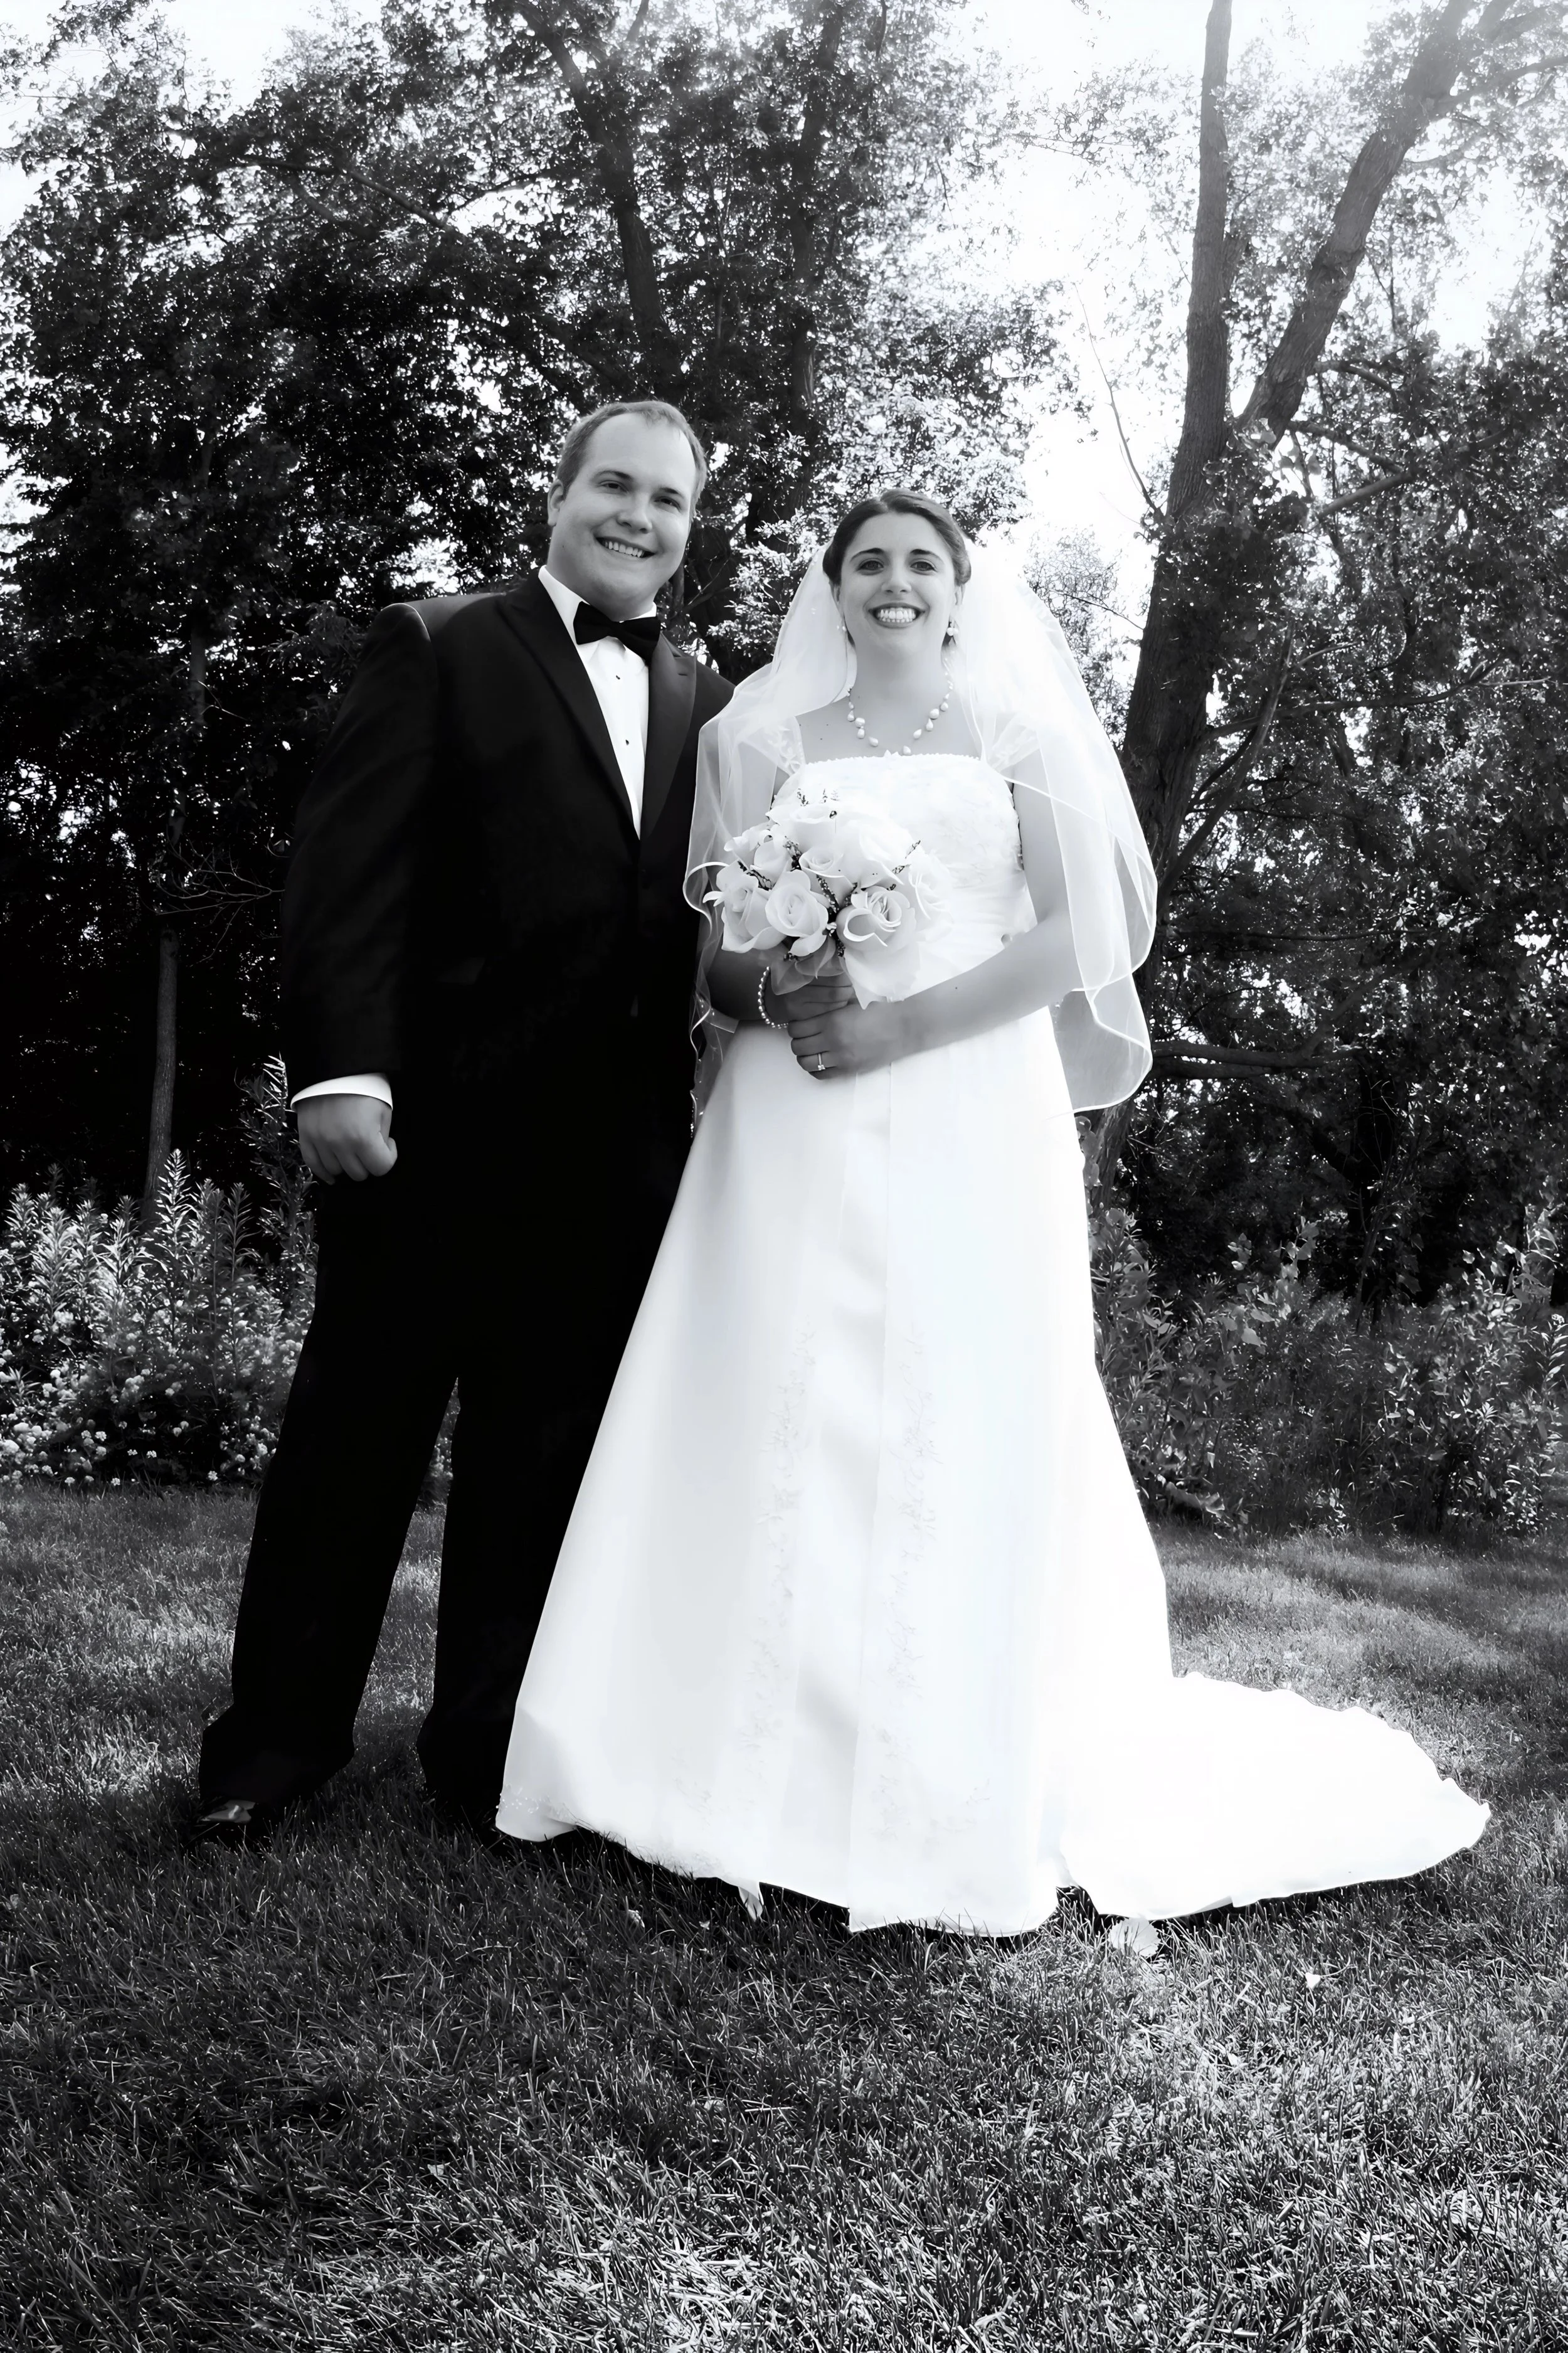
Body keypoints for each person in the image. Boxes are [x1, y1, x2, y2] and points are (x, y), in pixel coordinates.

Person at [494, 489, 1488, 1934]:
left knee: (960, 1397)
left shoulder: (1016, 733)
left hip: (967, 1104)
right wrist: (779, 987)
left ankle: (946, 1764)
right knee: (767, 1386)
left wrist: (900, 1033)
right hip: (788, 1106)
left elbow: (1082, 937)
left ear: (959, 593)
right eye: (867, 563)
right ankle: (711, 1752)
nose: (894, 584)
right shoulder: (747, 742)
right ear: (827, 588)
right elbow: (709, 962)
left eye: (920, 564)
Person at [193, 399, 732, 1843]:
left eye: (666, 502)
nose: (636, 516)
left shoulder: (710, 700)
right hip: (429, 1130)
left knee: (539, 1470)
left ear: (690, 532)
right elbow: (348, 868)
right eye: (612, 486)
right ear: (556, 496)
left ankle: (486, 1757)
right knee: (352, 1447)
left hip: (615, 1156)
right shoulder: (436, 642)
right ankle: (269, 1752)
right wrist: (342, 1072)